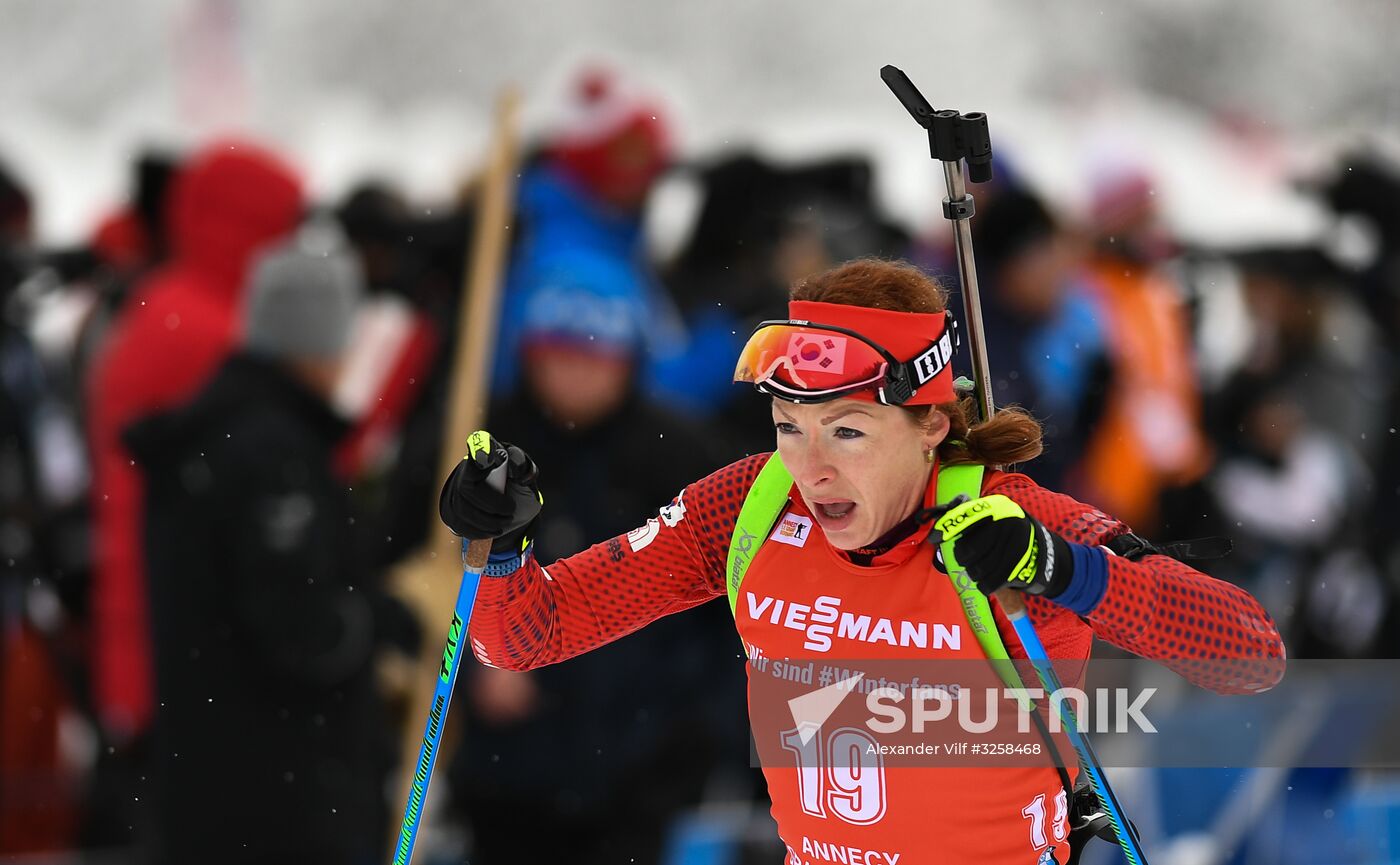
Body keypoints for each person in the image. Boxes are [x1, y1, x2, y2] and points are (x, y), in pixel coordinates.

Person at [439, 259, 1286, 864]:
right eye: (788, 427)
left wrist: (1064, 570)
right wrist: (500, 545)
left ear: (929, 427)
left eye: (847, 430)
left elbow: (1251, 655)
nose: (812, 468)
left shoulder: (1005, 523)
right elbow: (525, 636)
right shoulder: (749, 504)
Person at [123, 227, 410, 865]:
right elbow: (301, 628)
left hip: (211, 783)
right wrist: (381, 621)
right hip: (282, 797)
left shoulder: (211, 434)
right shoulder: (273, 454)